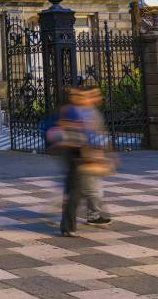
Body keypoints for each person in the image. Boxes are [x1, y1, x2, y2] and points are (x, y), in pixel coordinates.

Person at [49, 87, 112, 237]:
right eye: (81, 95)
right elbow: (77, 132)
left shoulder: (82, 111)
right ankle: (71, 225)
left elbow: (90, 133)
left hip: (79, 153)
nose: (85, 98)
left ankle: (71, 223)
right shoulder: (72, 111)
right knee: (77, 191)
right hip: (76, 153)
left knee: (76, 190)